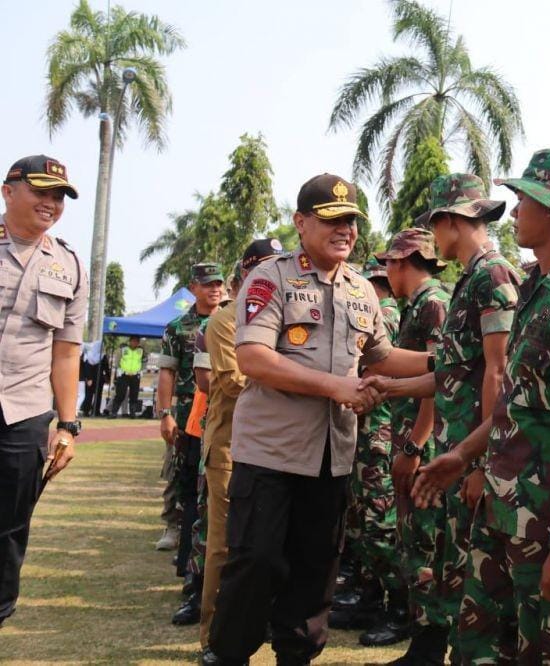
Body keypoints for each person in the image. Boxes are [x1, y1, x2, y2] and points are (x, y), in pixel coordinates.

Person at [207, 173, 433, 664]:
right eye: (332, 219)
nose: (345, 230)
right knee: (256, 563)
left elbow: (382, 356)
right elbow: (253, 358)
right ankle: (228, 654)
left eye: (351, 220)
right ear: (301, 222)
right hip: (270, 453)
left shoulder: (361, 290)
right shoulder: (271, 277)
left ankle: (296, 656)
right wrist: (337, 387)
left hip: (332, 458)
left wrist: (444, 360)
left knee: (316, 570)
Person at [413, 148, 550, 663]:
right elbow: (514, 404)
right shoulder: (535, 291)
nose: (514, 211)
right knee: (480, 647)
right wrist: (463, 456)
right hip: (504, 514)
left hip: (549, 522)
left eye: (523, 199)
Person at [366, 173, 521, 659]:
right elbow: (453, 375)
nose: (433, 238)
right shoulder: (471, 280)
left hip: (475, 455)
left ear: (451, 221)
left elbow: (499, 374)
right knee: (453, 567)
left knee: (479, 579)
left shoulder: (493, 276)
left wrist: (477, 462)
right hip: (459, 450)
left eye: (435, 225)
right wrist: (388, 387)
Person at [0, 155, 87, 627]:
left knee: (9, 533)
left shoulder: (69, 264)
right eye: (41, 191)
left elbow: (67, 351)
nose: (51, 203)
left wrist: (68, 426)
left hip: (24, 413)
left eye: (59, 196)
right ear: (8, 190)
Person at [195, 239, 283, 665]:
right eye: (266, 266)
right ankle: (213, 637)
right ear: (246, 272)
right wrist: (299, 380)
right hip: (230, 447)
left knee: (262, 547)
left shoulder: (278, 312)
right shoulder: (225, 321)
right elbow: (231, 381)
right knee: (225, 547)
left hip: (273, 447)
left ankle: (249, 628)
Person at [374, 227, 452, 661]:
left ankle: (429, 647)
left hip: (427, 446)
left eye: (389, 262)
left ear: (403, 262)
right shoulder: (419, 304)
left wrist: (414, 447)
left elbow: (441, 383)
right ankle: (422, 643)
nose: (387, 270)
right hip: (412, 439)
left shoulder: (434, 303)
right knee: (414, 541)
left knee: (425, 544)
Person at [328, 258, 404, 644]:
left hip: (378, 433)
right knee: (360, 524)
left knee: (378, 525)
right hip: (363, 431)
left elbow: (374, 369)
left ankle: (401, 607)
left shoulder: (384, 314)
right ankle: (371, 598)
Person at [155, 263, 224, 563]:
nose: (215, 289)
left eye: (218, 284)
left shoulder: (233, 321)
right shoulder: (178, 327)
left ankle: (198, 537)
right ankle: (175, 527)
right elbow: (166, 372)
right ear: (193, 287)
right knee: (179, 470)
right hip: (186, 411)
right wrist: (165, 413)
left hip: (220, 410)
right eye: (208, 284)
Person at [110, 336, 144, 418]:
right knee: (120, 394)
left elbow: (145, 361)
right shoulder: (123, 349)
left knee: (134, 395)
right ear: (130, 341)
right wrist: (119, 370)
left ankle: (132, 413)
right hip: (123, 375)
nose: (135, 343)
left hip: (135, 375)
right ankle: (113, 413)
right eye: (133, 341)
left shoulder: (141, 350)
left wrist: (142, 370)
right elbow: (117, 360)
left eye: (136, 341)